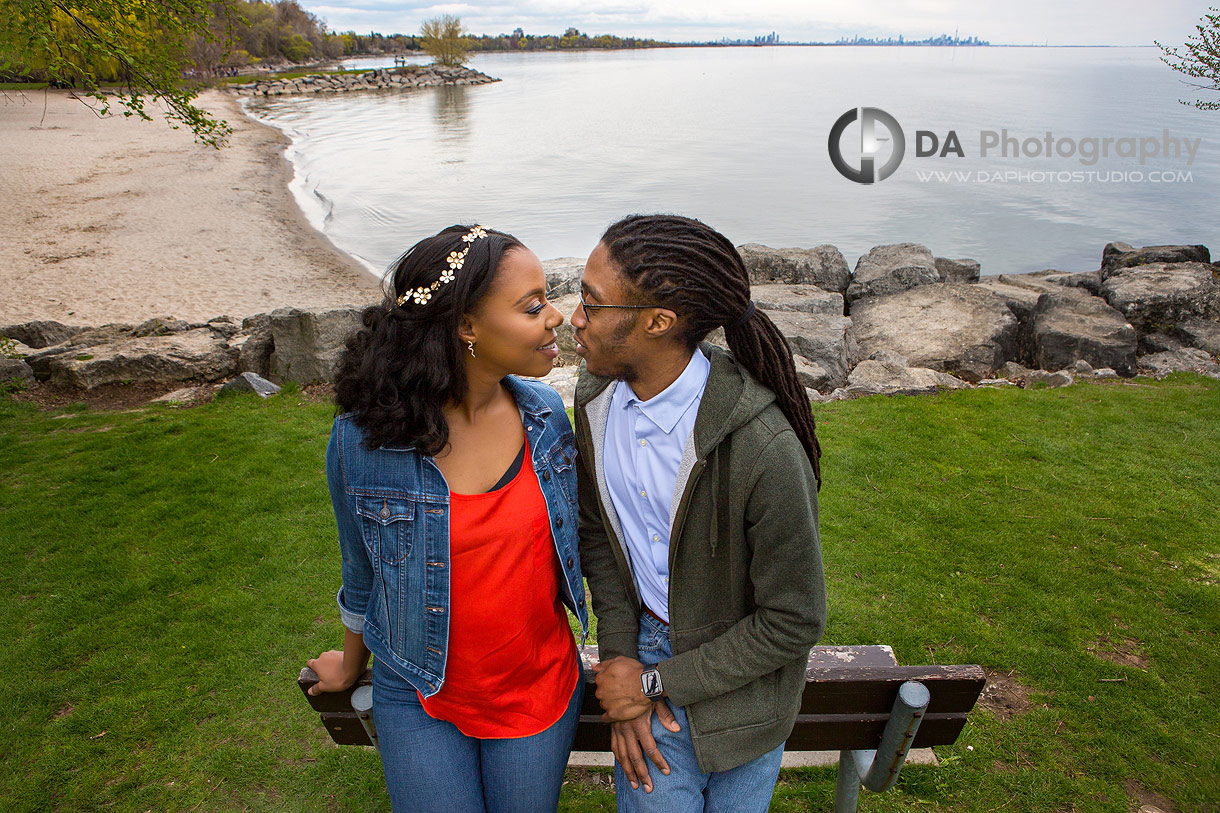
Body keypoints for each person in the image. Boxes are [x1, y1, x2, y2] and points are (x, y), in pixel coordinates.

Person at [307, 224, 588, 813]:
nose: (557, 316)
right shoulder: (363, 440)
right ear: (466, 327)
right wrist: (350, 665)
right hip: (417, 689)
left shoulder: (545, 418)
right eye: (532, 306)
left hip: (536, 687)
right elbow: (361, 571)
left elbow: (588, 546)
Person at [570, 214, 826, 812]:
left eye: (592, 302)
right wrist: (622, 660)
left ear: (658, 322)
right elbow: (600, 536)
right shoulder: (595, 402)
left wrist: (655, 683)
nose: (574, 318)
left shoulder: (763, 450)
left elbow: (794, 619)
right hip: (642, 653)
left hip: (746, 691)